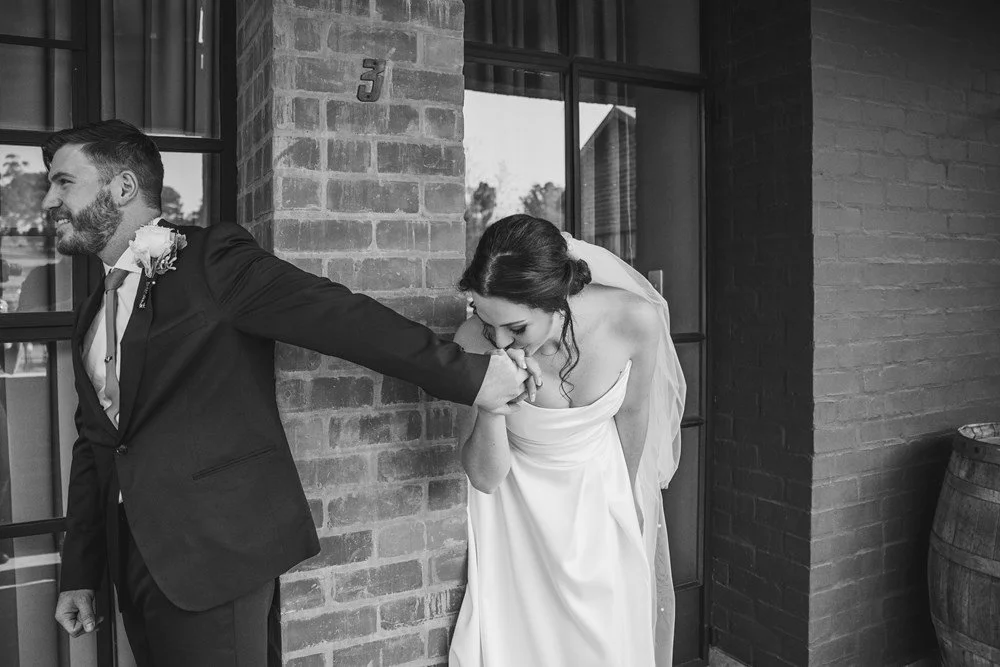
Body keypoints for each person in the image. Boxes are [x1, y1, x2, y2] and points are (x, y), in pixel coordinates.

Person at [45, 119, 538, 666]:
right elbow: (95, 444)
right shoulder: (92, 312)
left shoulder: (211, 260)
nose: (49, 200)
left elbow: (338, 317)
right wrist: (81, 571)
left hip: (214, 554)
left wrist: (471, 376)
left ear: (123, 187)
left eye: (64, 182)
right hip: (133, 560)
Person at [448, 215, 686, 667]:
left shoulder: (633, 320)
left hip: (600, 493)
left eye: (517, 328)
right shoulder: (472, 342)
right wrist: (495, 401)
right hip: (513, 514)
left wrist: (629, 498)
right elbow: (484, 478)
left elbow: (633, 414)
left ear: (555, 299)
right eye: (488, 322)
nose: (501, 341)